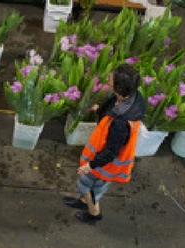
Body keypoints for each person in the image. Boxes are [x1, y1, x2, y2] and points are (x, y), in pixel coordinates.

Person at [62, 64, 146, 224]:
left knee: (89, 187)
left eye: (111, 79)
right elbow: (111, 108)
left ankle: (94, 214)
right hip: (102, 159)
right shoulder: (131, 99)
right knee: (90, 187)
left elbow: (111, 151)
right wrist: (99, 109)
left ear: (119, 87)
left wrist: (90, 165)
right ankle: (83, 202)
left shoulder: (120, 123)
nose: (108, 80)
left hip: (103, 164)